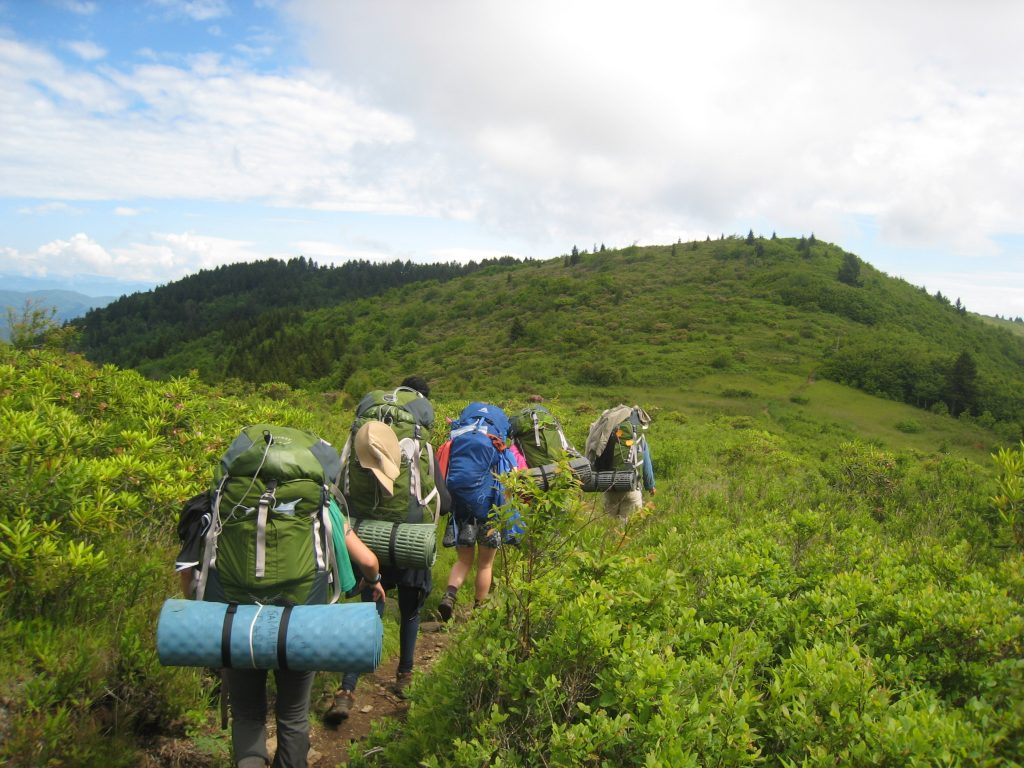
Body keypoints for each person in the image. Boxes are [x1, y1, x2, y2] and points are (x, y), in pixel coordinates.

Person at [176, 494, 384, 768]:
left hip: (238, 624)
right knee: (293, 713)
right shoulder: (320, 501)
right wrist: (374, 581)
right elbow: (368, 561)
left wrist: (208, 616)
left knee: (248, 714)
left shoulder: (224, 495)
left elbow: (188, 572)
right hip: (300, 624)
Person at [324, 392, 451, 724]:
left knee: (371, 608)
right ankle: (405, 676)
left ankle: (346, 690)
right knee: (411, 609)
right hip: (408, 538)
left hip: (366, 537)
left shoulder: (360, 439)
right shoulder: (419, 446)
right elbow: (445, 501)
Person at [437, 402, 526, 622]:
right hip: (491, 512)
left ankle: (450, 595)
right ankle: (478, 609)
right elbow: (513, 480)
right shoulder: (499, 447)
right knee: (485, 564)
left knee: (463, 560)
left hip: (461, 509)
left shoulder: (456, 442)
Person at [586, 404, 655, 520]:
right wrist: (650, 486)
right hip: (631, 487)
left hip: (609, 486)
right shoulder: (638, 438)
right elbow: (646, 465)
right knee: (627, 530)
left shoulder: (608, 434)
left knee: (609, 528)